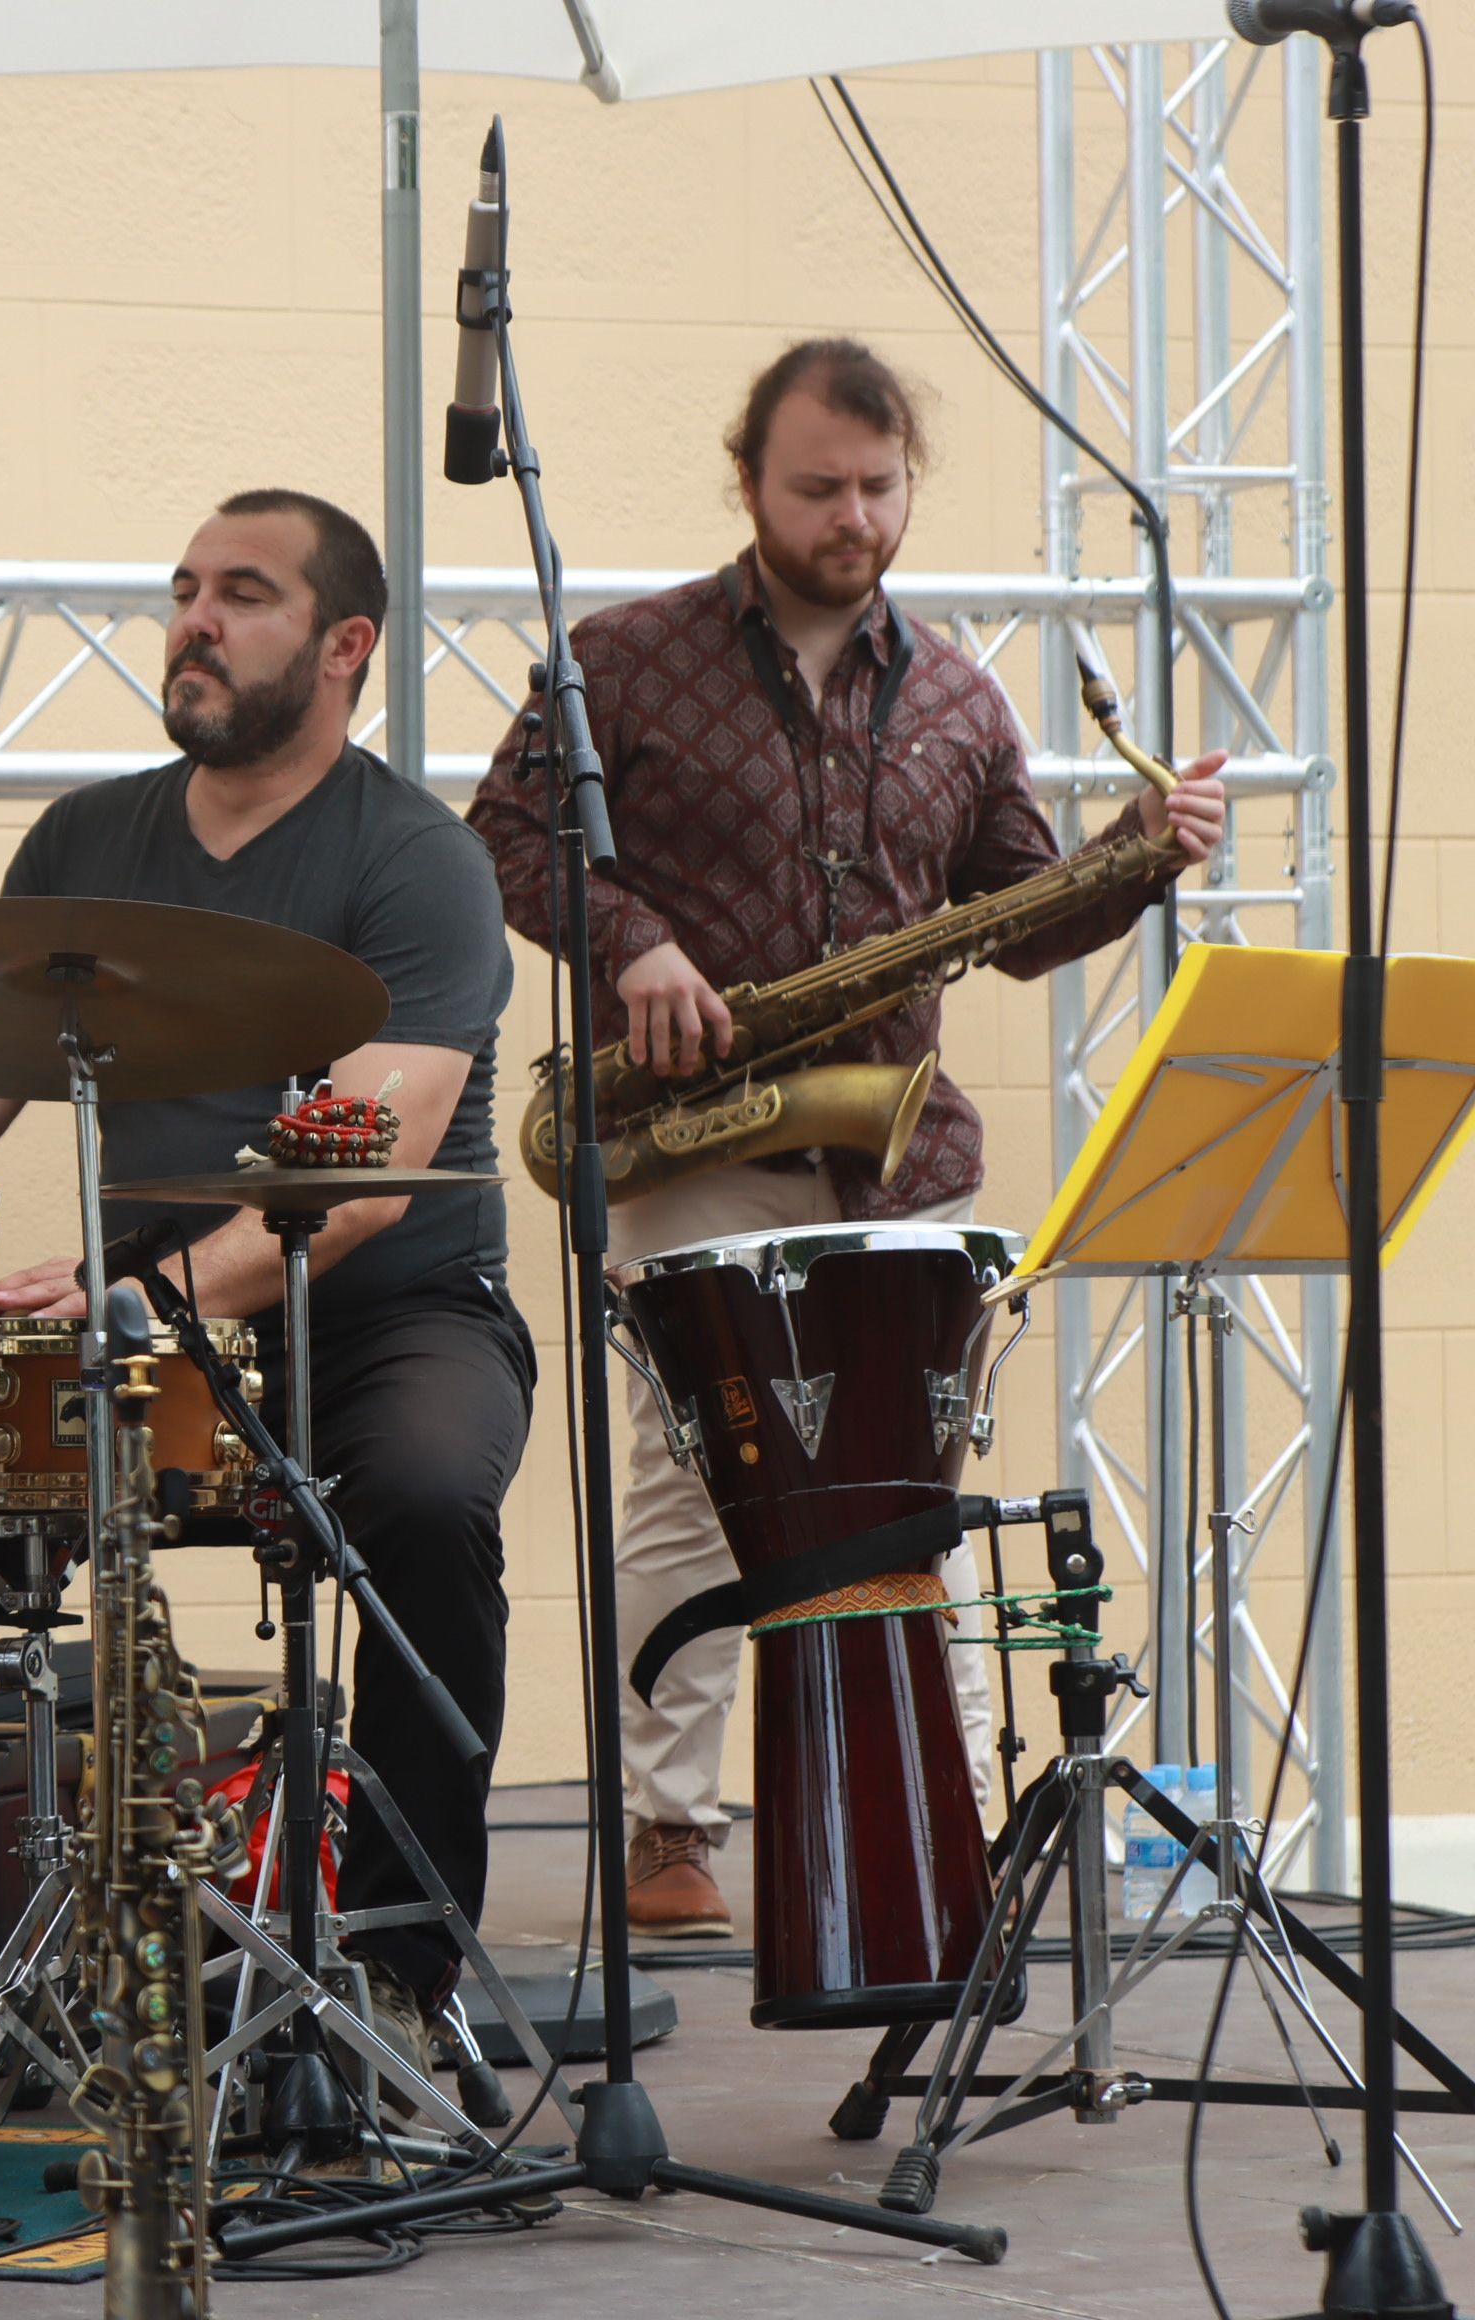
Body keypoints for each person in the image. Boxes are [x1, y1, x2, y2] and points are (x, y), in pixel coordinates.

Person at [0, 488, 532, 2109]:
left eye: (245, 594)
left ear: (345, 645)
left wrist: (137, 1292)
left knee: (428, 1501)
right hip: (138, 1319)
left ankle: (404, 1983)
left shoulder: (419, 862)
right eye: (184, 591)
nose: (195, 621)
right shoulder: (87, 844)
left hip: (386, 1317)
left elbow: (362, 1166)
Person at [466, 339, 1226, 1940]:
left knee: (899, 1487)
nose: (856, 517)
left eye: (881, 488)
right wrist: (634, 944)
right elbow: (506, 841)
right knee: (689, 1470)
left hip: (890, 1146)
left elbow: (1018, 918)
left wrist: (1141, 855)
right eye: (820, 487)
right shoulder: (625, 656)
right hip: (693, 1129)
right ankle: (671, 1831)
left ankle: (910, 1815)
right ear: (748, 478)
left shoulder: (954, 690)